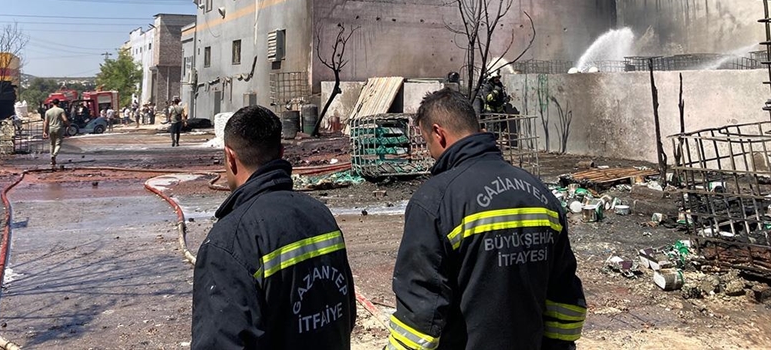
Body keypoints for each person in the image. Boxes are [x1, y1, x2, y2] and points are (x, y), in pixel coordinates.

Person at [387, 89, 586, 350]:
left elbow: (420, 312)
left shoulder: (435, 200)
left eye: (427, 143)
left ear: (438, 134)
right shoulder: (539, 192)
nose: (431, 153)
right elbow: (565, 297)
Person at [191, 106, 355, 349]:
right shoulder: (320, 214)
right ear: (280, 153)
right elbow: (345, 312)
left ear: (230, 157)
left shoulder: (230, 241)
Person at [42, 98, 69, 169]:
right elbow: (65, 119)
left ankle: (52, 159)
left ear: (52, 103)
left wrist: (44, 131)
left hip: (51, 128)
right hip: (59, 128)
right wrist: (69, 125)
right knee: (58, 144)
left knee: (52, 143)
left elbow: (46, 122)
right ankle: (54, 155)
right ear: (58, 103)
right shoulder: (61, 110)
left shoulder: (48, 112)